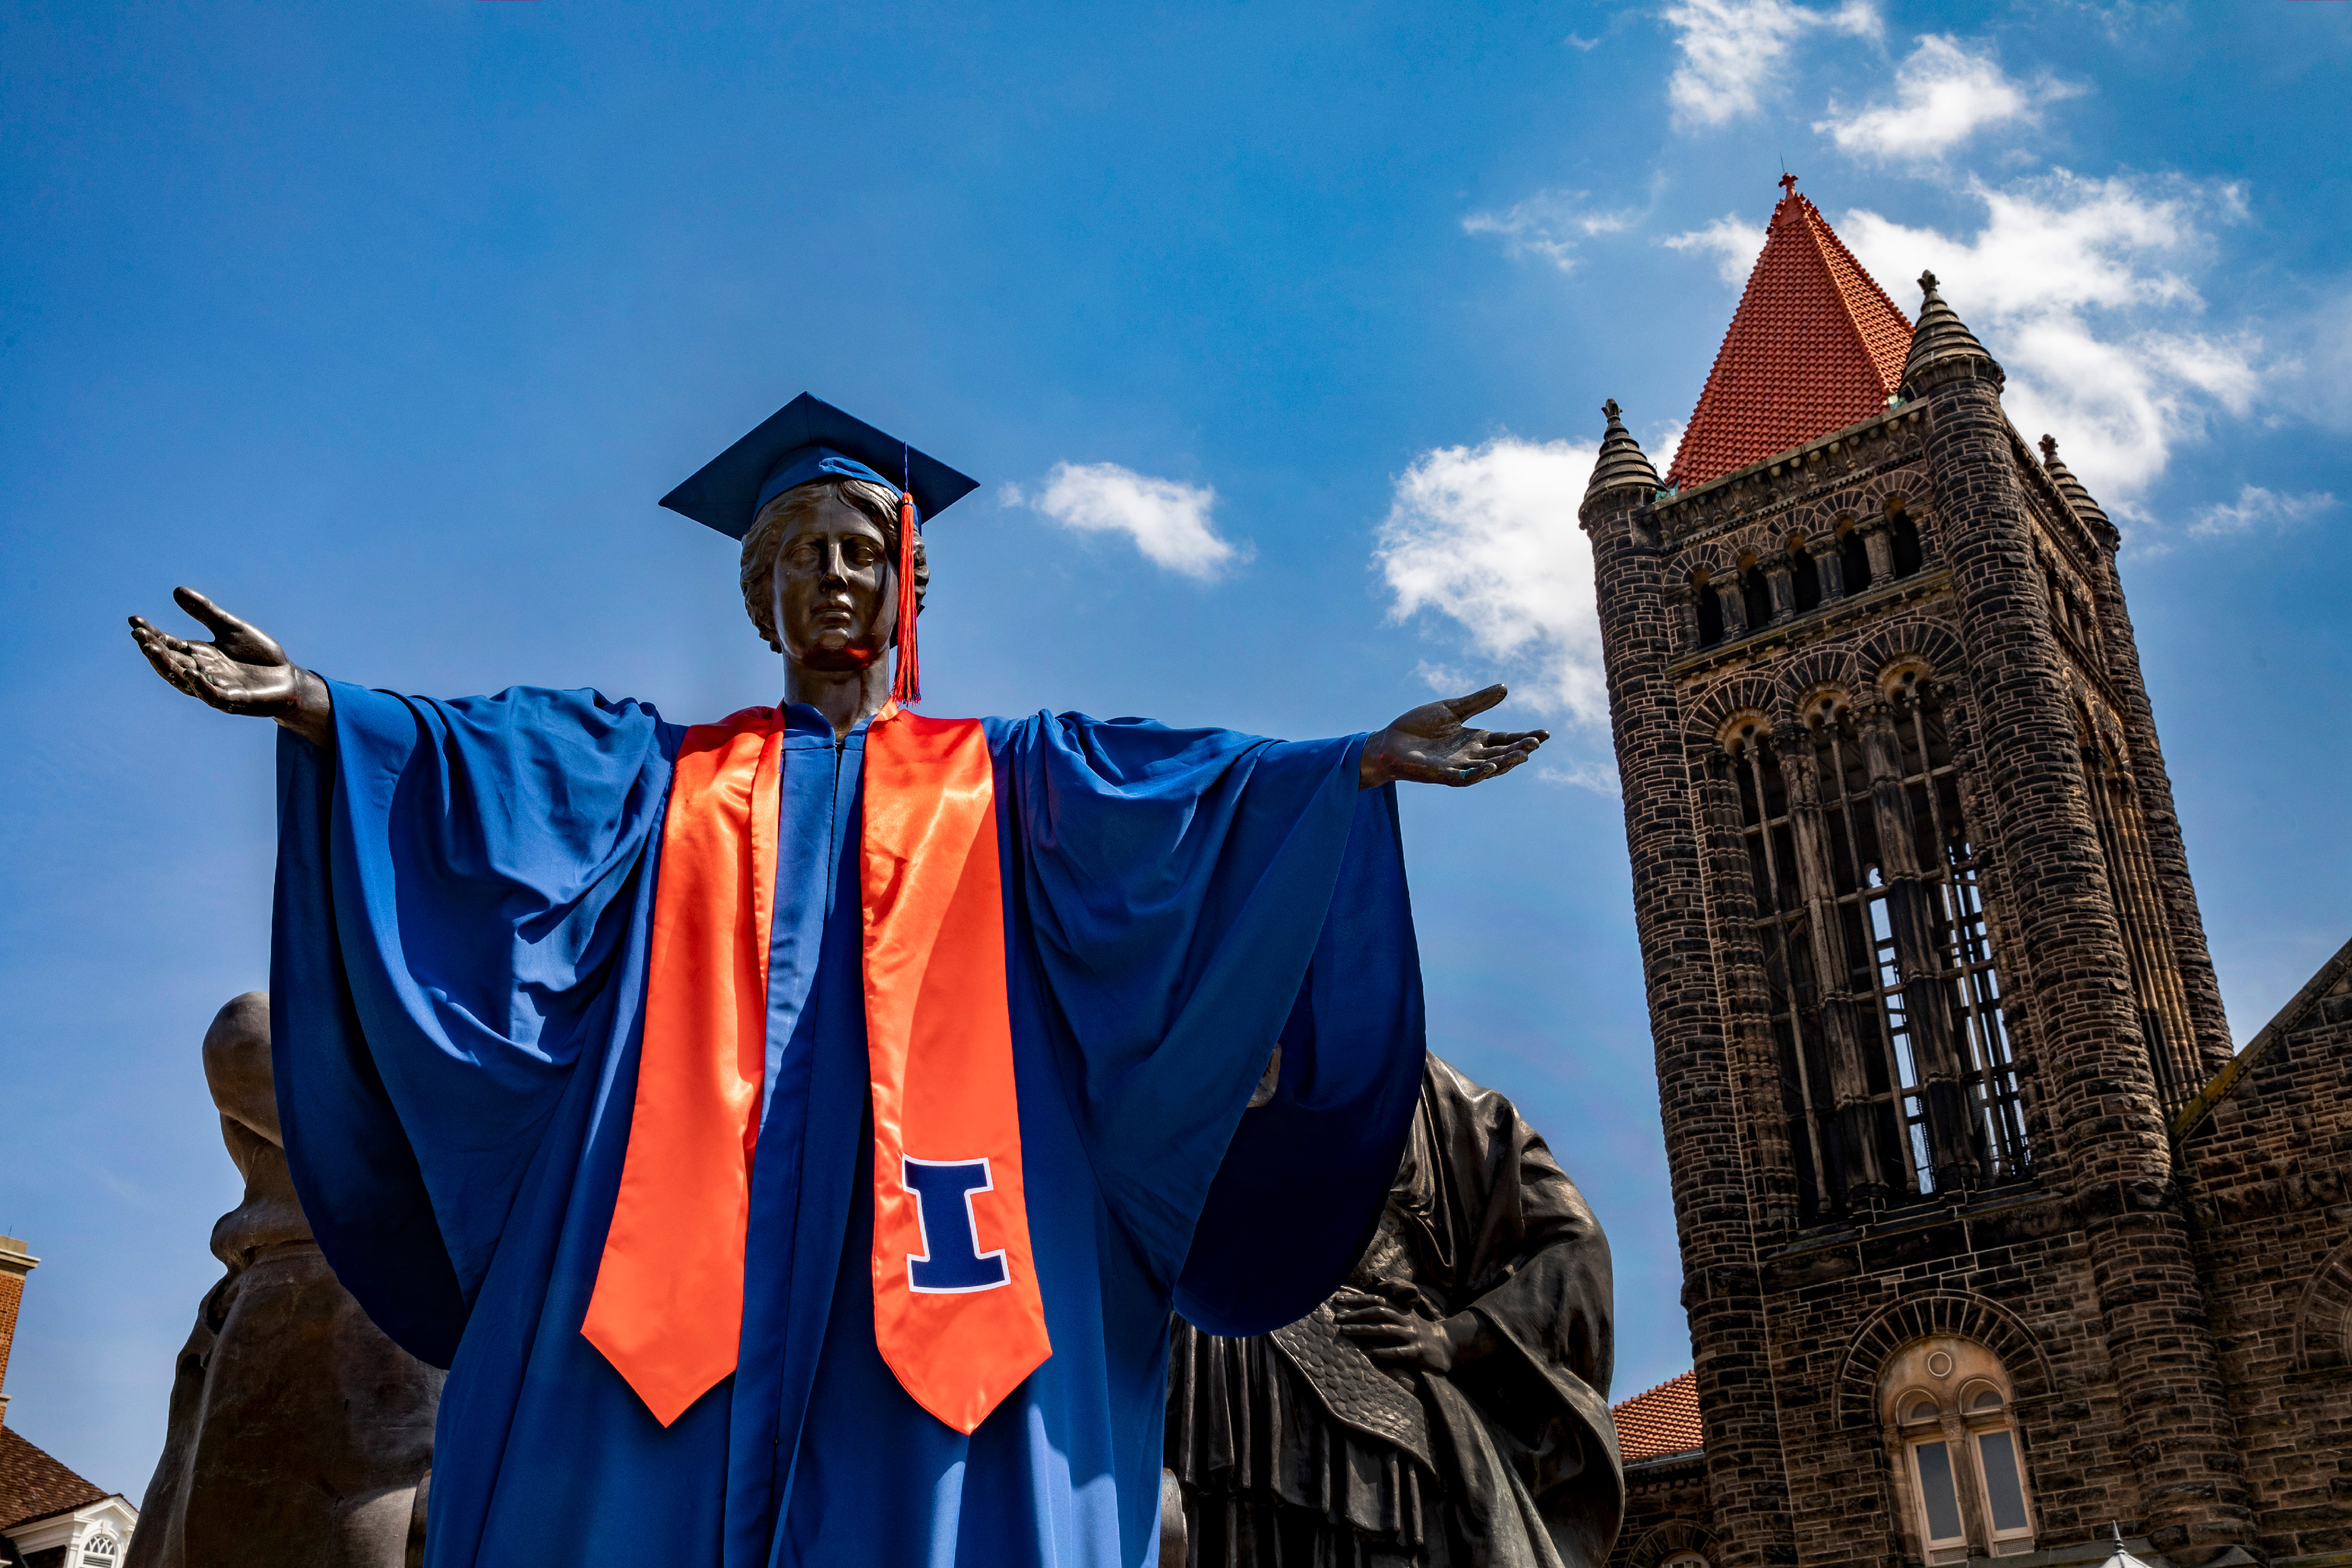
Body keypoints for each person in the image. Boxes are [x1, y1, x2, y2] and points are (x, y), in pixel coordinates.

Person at [127, 395, 1551, 1568]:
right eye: (799, 554)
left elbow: (1183, 796)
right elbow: (491, 771)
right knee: (621, 1448)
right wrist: (322, 704)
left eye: (861, 551)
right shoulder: (659, 777)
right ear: (760, 595)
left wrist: (1351, 763)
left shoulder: (1008, 780)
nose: (834, 578)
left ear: (902, 582)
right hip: (688, 1236)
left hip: (945, 1238)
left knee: (943, 1461)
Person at [1166, 1054, 1621, 1568]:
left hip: (1370, 1368)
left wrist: (1457, 1337)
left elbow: (1576, 1244)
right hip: (1211, 1347)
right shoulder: (1203, 1042)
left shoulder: (1438, 1092)